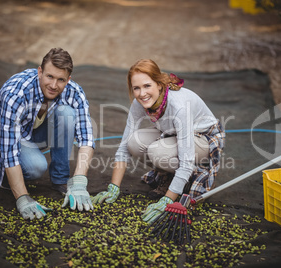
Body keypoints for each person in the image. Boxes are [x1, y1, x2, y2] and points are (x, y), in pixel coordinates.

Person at [92, 59, 225, 223]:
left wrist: (167, 200)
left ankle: (190, 177)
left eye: (147, 86)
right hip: (173, 135)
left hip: (204, 140)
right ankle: (170, 178)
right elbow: (124, 147)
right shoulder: (139, 103)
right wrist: (113, 187)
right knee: (134, 142)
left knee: (157, 151)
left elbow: (186, 161)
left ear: (159, 84)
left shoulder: (178, 107)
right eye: (137, 88)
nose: (142, 93)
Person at [0, 48, 95, 220]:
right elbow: (9, 150)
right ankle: (10, 179)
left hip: (36, 129)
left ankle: (60, 180)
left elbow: (86, 137)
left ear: (68, 80)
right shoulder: (16, 94)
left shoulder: (74, 92)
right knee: (36, 167)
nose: (53, 85)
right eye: (49, 76)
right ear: (40, 71)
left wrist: (80, 181)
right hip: (10, 138)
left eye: (60, 80)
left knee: (67, 113)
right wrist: (22, 198)